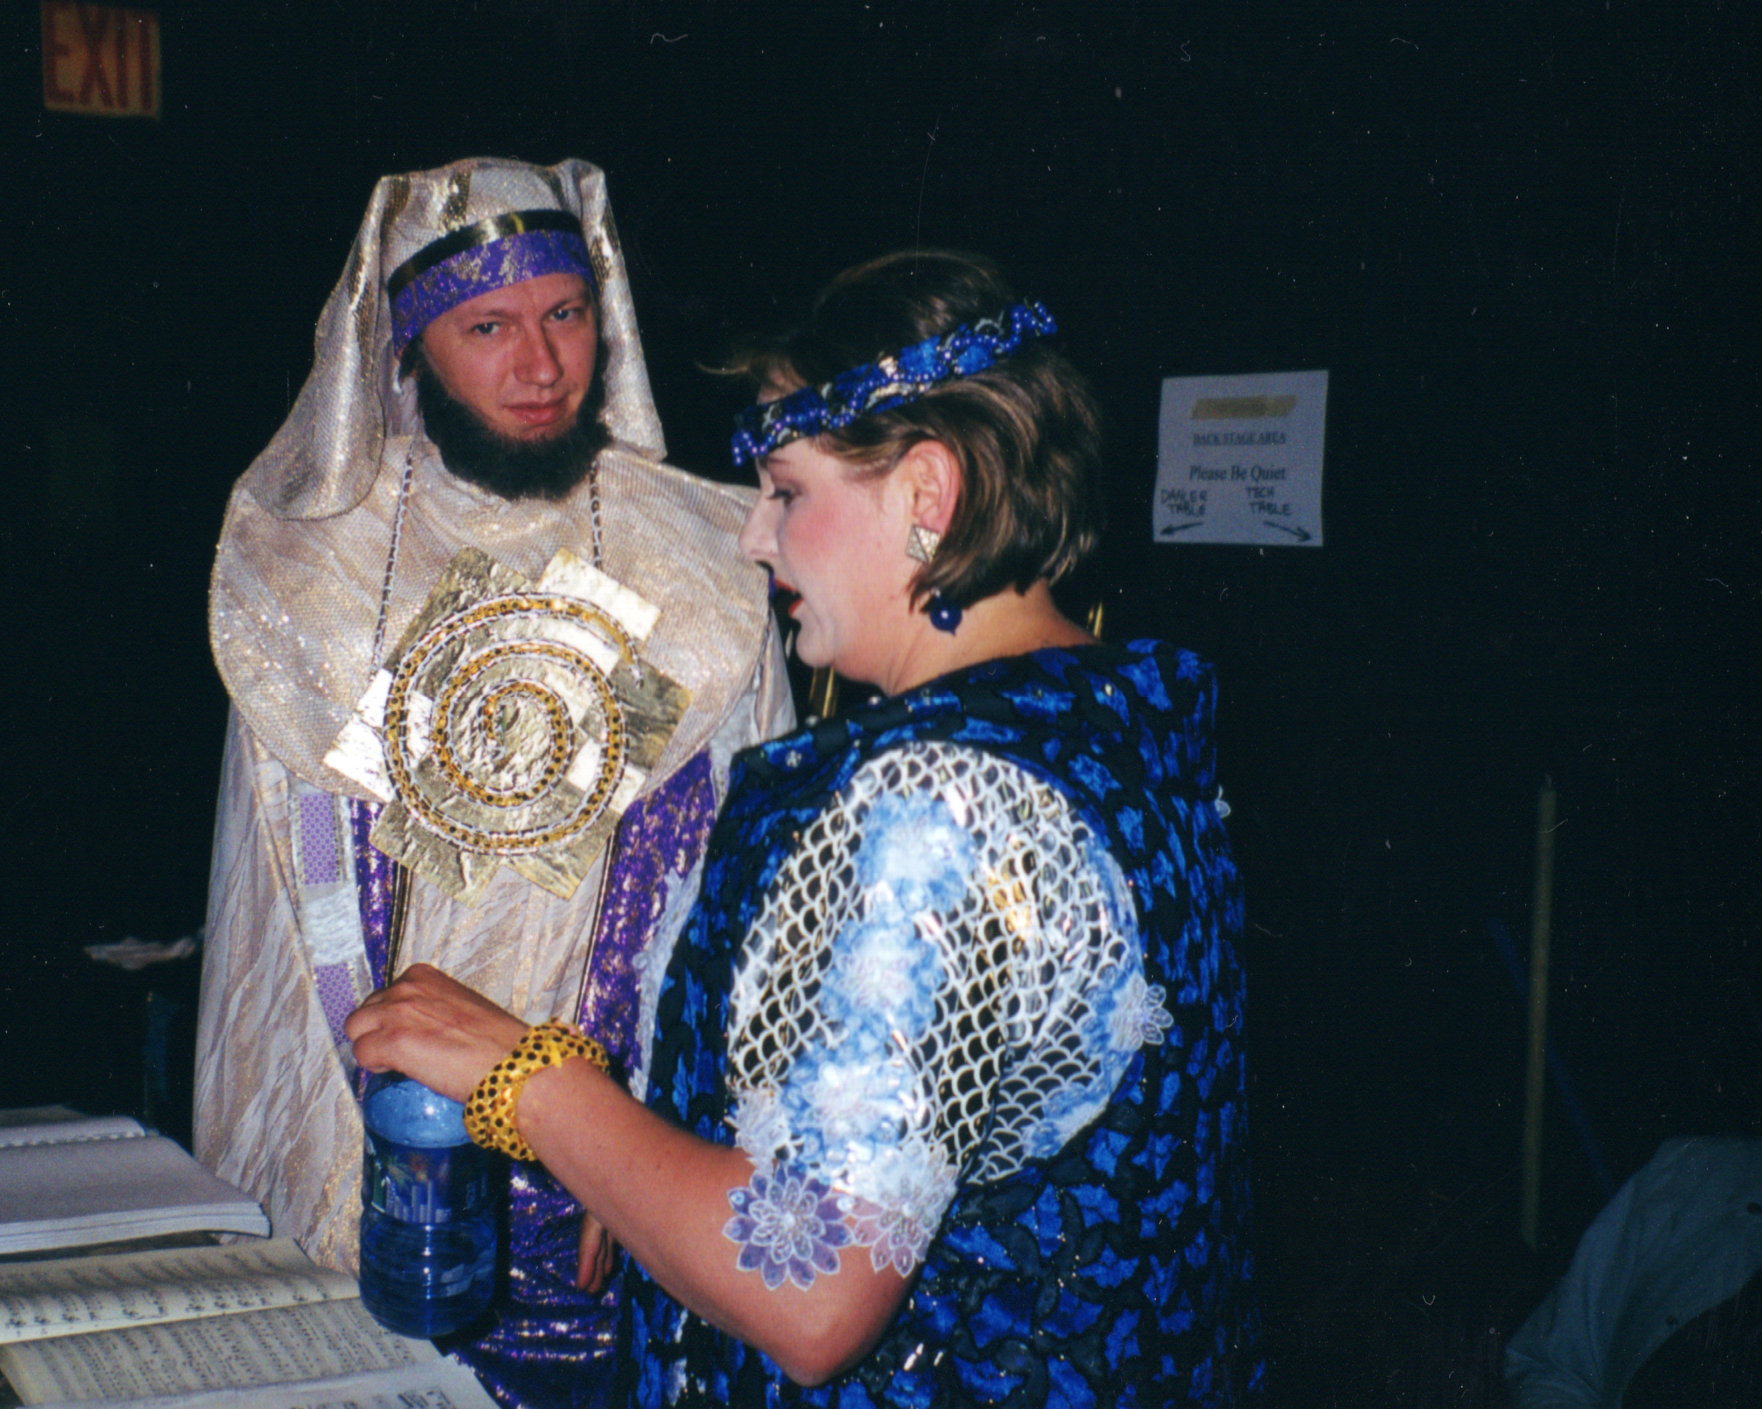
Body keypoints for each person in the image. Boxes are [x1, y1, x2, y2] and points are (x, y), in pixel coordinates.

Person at [347, 250, 1261, 1405]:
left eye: (787, 491)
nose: (754, 537)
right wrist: (642, 1161)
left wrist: (525, 1080)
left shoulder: (939, 799)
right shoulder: (1111, 712)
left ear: (926, 495)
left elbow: (812, 1290)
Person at [195, 157, 791, 1407]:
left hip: (618, 1177)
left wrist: (673, 1147)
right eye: (487, 328)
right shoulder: (307, 569)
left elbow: (754, 903)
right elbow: (271, 935)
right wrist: (301, 1188)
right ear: (407, 346)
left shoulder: (708, 559)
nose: (540, 365)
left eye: (564, 313)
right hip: (381, 1171)